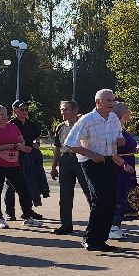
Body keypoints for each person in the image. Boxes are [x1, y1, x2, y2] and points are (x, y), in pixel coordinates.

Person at [65, 89, 127, 253]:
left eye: (113, 100)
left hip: (109, 161)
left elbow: (118, 135)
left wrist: (120, 140)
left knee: (111, 200)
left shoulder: (113, 118)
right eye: (108, 101)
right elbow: (70, 143)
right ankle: (91, 238)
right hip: (91, 163)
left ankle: (101, 239)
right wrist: (92, 155)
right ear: (98, 102)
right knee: (100, 200)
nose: (112, 104)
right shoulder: (87, 120)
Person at [0, 104, 44, 229]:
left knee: (23, 189)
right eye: (1, 114)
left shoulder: (12, 127)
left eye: (5, 113)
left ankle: (28, 216)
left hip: (13, 163)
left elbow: (21, 140)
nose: (4, 115)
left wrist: (20, 145)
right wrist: (4, 147)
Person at [3, 101, 48, 221]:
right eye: (21, 109)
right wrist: (21, 147)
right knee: (11, 185)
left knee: (29, 183)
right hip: (14, 157)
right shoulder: (10, 125)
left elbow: (37, 137)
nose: (24, 112)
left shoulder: (31, 124)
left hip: (30, 157)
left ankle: (27, 211)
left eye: (26, 110)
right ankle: (9, 213)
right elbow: (6, 141)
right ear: (14, 111)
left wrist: (36, 143)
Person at [109, 102, 139, 239]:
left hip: (128, 166)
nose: (130, 111)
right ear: (122, 112)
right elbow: (111, 151)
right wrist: (123, 164)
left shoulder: (122, 128)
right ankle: (112, 227)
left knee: (125, 195)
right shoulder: (114, 128)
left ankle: (116, 226)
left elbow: (126, 149)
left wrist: (138, 150)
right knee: (119, 195)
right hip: (119, 168)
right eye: (127, 109)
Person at [51, 100, 81, 235]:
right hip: (66, 160)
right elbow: (57, 148)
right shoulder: (60, 127)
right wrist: (54, 166)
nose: (63, 112)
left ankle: (97, 225)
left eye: (66, 109)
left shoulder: (83, 124)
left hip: (82, 158)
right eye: (62, 109)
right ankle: (66, 225)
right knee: (65, 195)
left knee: (90, 192)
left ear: (75, 110)